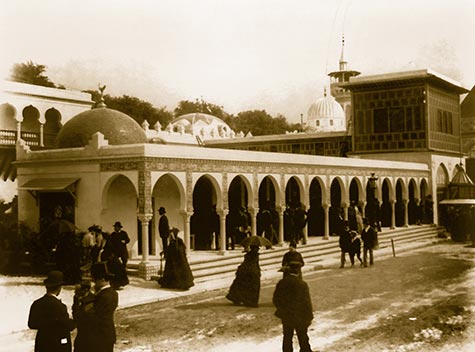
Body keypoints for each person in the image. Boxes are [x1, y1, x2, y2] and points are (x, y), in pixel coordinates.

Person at [28, 270, 76, 352]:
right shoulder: (59, 306)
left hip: (42, 343)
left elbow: (31, 324)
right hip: (57, 345)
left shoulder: (37, 303)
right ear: (59, 288)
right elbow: (68, 326)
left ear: (46, 287)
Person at [273, 262, 314, 352]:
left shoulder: (282, 283)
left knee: (287, 336)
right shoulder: (302, 284)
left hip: (286, 315)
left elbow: (276, 300)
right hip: (300, 315)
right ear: (298, 271)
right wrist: (309, 316)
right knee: (302, 336)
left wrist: (282, 309)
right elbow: (306, 302)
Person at [90, 262, 119, 352]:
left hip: (100, 335)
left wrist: (90, 295)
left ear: (102, 279)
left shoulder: (102, 296)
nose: (94, 283)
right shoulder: (113, 293)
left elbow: (93, 314)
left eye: (95, 280)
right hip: (108, 333)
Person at [72, 280, 95, 352]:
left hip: (89, 330)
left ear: (86, 290)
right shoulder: (76, 297)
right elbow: (74, 310)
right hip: (80, 329)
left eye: (78, 290)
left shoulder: (93, 299)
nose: (75, 292)